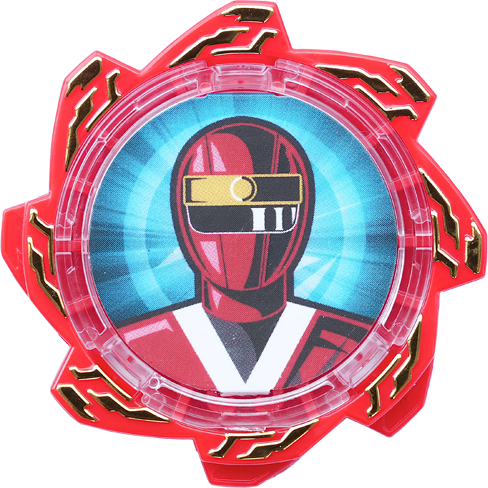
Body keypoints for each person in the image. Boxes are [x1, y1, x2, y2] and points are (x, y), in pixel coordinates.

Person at [117, 117, 373, 395]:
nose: (244, 233)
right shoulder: (140, 343)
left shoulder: (348, 343)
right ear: (182, 217)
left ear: (303, 216)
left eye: (271, 212)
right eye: (216, 212)